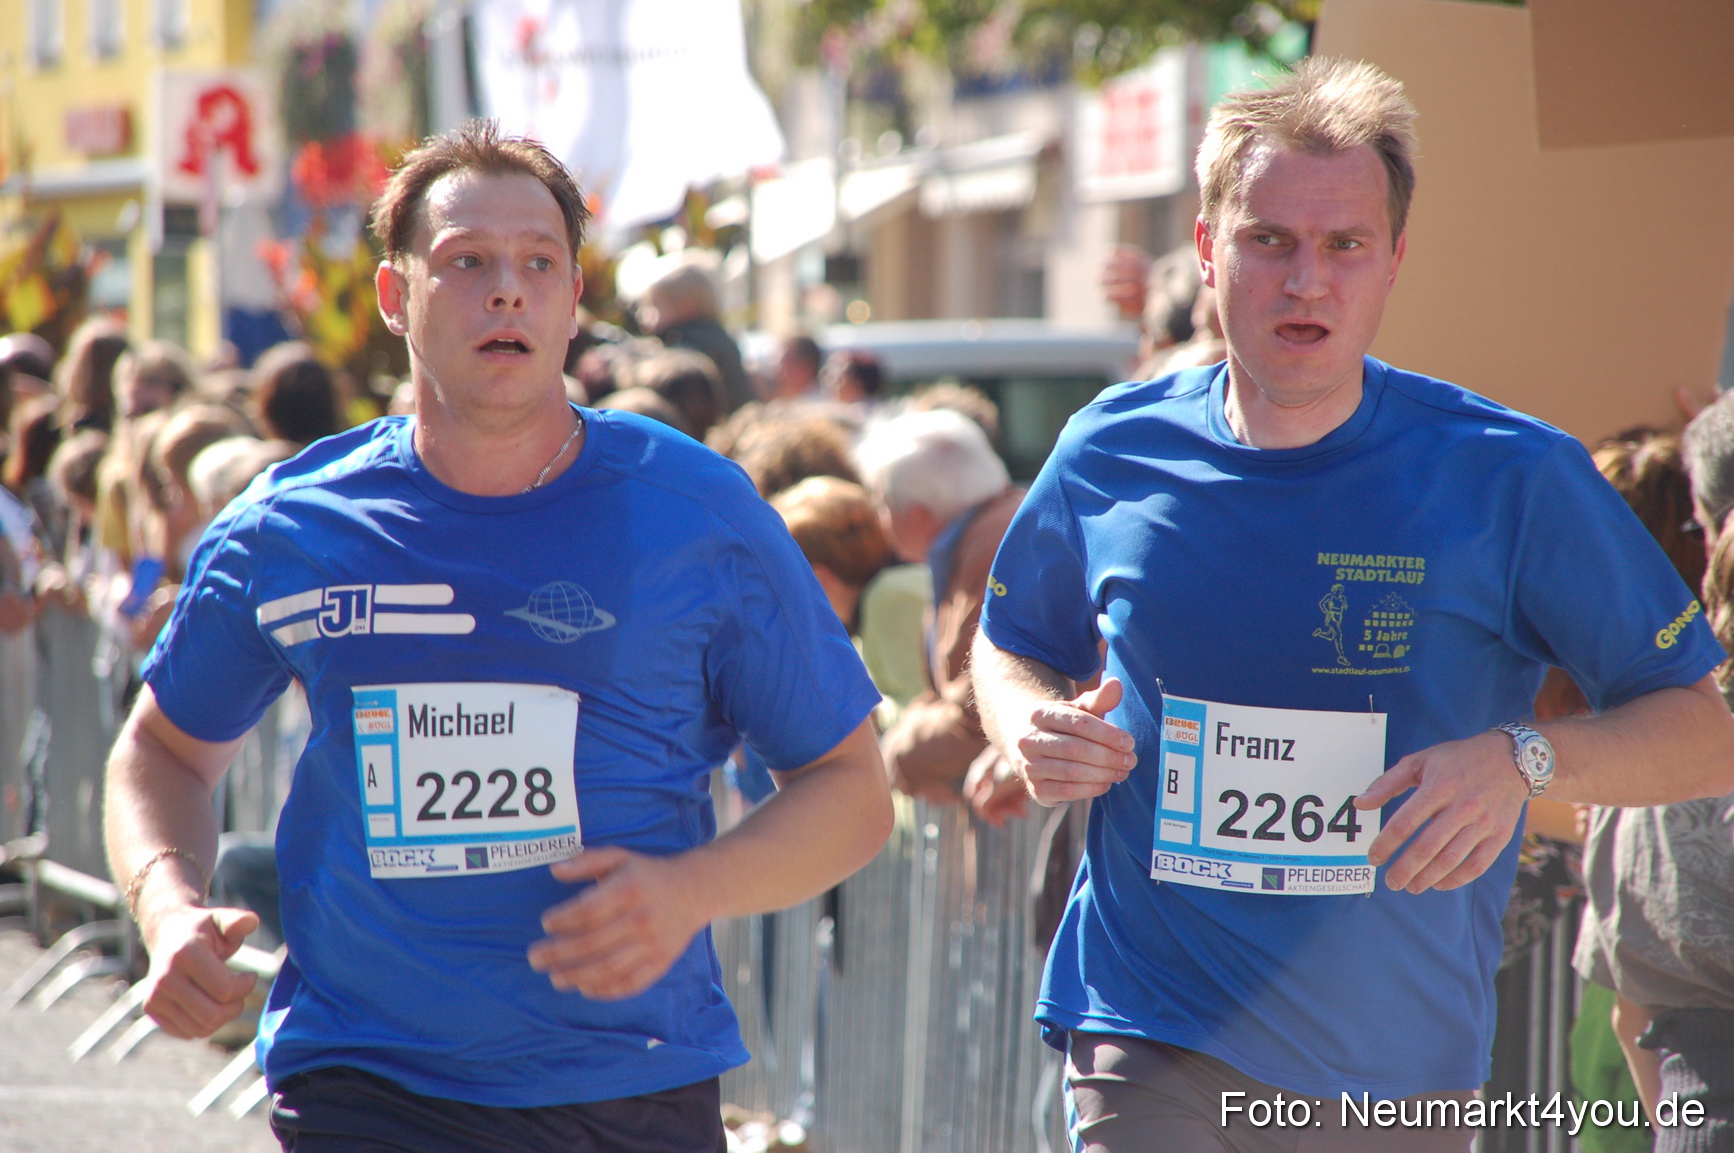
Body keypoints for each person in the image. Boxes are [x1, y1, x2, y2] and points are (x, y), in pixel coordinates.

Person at [970, 58, 1734, 1153]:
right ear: (1207, 249)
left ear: (1394, 262)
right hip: (1150, 1027)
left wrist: (1520, 761)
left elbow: (1704, 734)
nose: (1307, 282)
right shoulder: (1111, 449)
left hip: (1393, 1070)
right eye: (1269, 240)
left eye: (1344, 245)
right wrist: (1028, 727)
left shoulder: (1509, 474)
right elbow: (1010, 639)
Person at [104, 120, 892, 1153]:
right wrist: (168, 909)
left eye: (538, 264)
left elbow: (851, 788)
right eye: (466, 261)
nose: (508, 291)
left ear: (574, 300)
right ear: (396, 296)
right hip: (365, 1083)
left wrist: (691, 890)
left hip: (628, 1085)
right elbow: (162, 750)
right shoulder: (291, 526)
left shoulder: (697, 512)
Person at [856, 409, 1025, 807]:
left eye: (882, 503)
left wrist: (897, 753)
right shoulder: (990, 532)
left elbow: (978, 717)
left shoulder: (994, 548)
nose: (880, 519)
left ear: (918, 517)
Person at [636, 256, 757, 415]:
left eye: (656, 307)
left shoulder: (686, 345)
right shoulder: (721, 339)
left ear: (687, 306)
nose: (646, 317)